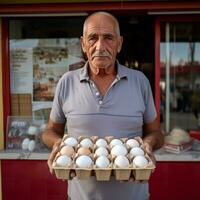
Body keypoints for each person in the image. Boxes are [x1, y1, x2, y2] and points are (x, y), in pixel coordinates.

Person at [42, 11, 164, 200]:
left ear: (119, 43)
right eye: (93, 38)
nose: (100, 46)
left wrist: (148, 144)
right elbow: (50, 132)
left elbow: (156, 133)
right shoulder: (67, 82)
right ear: (83, 44)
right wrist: (60, 144)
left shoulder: (139, 82)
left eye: (108, 38)